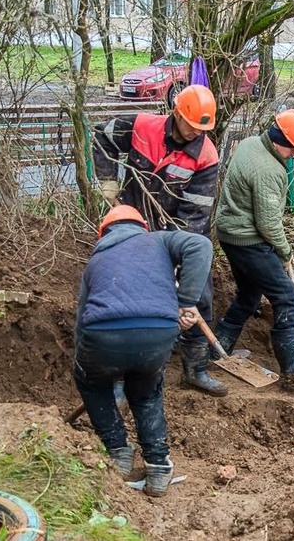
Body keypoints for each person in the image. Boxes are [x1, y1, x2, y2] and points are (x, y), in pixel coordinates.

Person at [92, 84, 227, 397]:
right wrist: (110, 186)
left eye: (202, 129)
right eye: (192, 126)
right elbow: (102, 136)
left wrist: (179, 265)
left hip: (177, 230)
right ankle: (122, 377)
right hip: (132, 223)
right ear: (177, 113)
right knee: (129, 296)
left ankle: (196, 369)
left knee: (200, 293)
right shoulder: (142, 126)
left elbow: (195, 216)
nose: (196, 133)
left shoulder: (205, 156)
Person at [73, 205, 213, 497]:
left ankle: (118, 451)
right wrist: (187, 302)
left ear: (104, 233)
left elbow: (81, 320)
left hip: (102, 334)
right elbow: (200, 244)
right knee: (146, 392)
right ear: (141, 226)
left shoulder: (96, 260)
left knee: (91, 380)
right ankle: (159, 466)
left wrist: (87, 363)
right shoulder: (160, 241)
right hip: (157, 331)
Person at [213, 109, 294, 381]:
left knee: (249, 293)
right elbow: (268, 223)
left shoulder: (250, 143)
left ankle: (218, 346)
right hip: (248, 240)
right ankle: (292, 367)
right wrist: (284, 250)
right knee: (286, 295)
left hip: (230, 233)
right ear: (284, 142)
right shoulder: (268, 169)